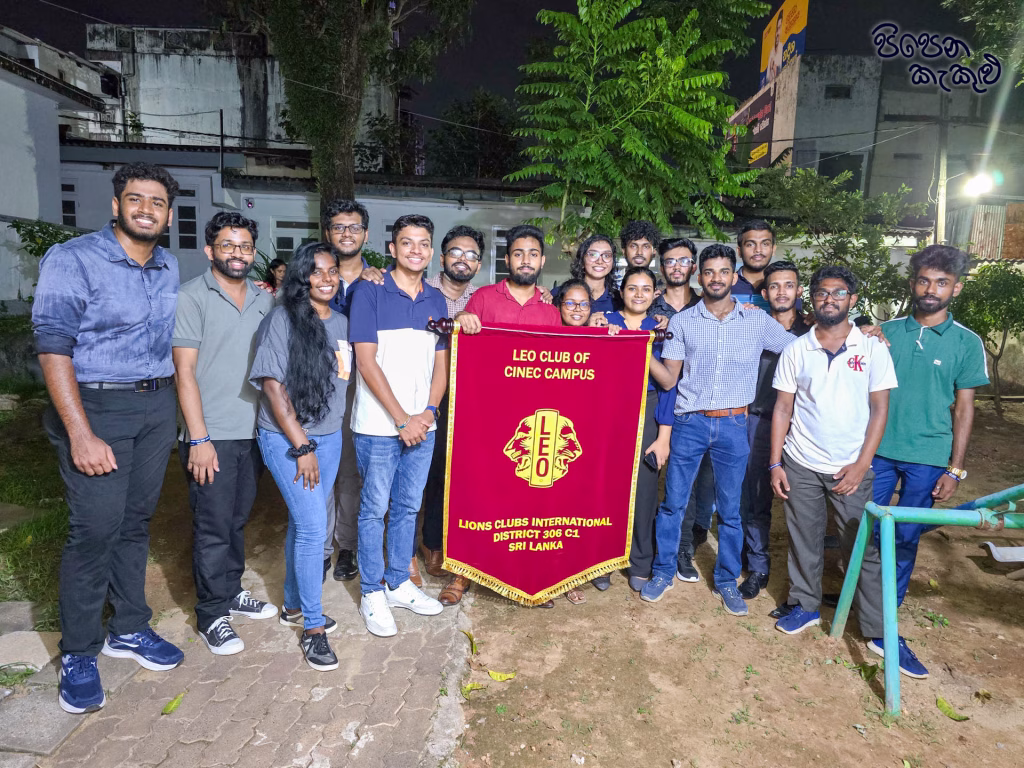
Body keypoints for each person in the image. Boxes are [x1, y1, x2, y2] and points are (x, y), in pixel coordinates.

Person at [34, 162, 185, 713]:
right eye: (136, 199)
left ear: (169, 216)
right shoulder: (73, 259)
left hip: (156, 404)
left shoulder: (167, 265)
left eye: (157, 202)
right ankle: (79, 650)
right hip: (95, 404)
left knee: (135, 521)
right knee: (95, 529)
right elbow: (53, 346)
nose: (147, 209)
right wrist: (80, 432)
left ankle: (129, 627)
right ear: (117, 205)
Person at [642, 244, 796, 614]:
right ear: (699, 276)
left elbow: (800, 350)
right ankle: (662, 571)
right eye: (709, 272)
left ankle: (726, 580)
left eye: (723, 271)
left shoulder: (756, 321)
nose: (716, 278)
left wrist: (858, 332)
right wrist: (641, 348)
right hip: (690, 422)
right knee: (673, 503)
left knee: (730, 510)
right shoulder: (683, 322)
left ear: (733, 276)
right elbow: (669, 380)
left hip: (734, 424)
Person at [869, 245, 988, 679]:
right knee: (862, 529)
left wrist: (955, 468)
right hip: (876, 451)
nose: (931, 289)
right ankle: (865, 601)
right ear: (913, 283)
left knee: (905, 538)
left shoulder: (966, 342)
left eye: (941, 282)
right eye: (924, 280)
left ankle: (885, 623)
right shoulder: (884, 333)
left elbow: (964, 409)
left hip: (929, 457)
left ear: (956, 288)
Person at [768, 266, 896, 653]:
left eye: (839, 293)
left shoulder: (872, 348)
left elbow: (880, 410)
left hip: (850, 467)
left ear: (852, 300)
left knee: (861, 546)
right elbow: (782, 409)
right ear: (813, 299)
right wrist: (776, 463)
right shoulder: (796, 349)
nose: (830, 299)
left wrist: (861, 465)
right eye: (823, 293)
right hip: (801, 462)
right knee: (803, 540)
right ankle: (805, 605)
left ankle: (877, 628)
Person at [173, 212, 277, 656]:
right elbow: (184, 373)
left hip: (254, 431)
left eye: (245, 246)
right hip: (210, 434)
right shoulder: (191, 296)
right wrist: (198, 439)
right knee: (212, 526)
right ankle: (212, 614)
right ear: (209, 250)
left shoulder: (264, 299)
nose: (238, 253)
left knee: (237, 520)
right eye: (228, 245)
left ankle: (231, 591)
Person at [447, 224, 561, 605]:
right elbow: (460, 339)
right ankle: (463, 572)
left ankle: (527, 574)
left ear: (542, 261)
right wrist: (462, 319)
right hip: (486, 416)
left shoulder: (551, 312)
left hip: (531, 421)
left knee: (527, 501)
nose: (525, 260)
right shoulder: (482, 297)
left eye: (533, 254)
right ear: (507, 259)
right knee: (477, 494)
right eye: (518, 253)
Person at [250, 242, 350, 671]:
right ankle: (313, 628)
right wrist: (302, 446)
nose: (326, 279)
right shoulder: (282, 319)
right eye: (317, 271)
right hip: (288, 438)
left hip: (329, 437)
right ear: (302, 277)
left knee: (303, 523)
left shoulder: (342, 323)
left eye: (332, 271)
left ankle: (292, 605)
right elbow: (273, 387)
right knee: (313, 528)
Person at [349, 214, 448, 637]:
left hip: (422, 426)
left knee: (408, 506)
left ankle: (397, 582)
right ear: (392, 248)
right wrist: (401, 419)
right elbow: (365, 362)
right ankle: (371, 591)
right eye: (407, 242)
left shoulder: (436, 299)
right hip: (378, 425)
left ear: (431, 251)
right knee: (374, 509)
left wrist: (429, 412)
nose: (415, 250)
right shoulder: (369, 291)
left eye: (423, 243)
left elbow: (441, 364)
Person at [737, 261, 812, 600]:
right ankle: (758, 565)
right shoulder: (752, 324)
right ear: (765, 293)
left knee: (803, 505)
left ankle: (806, 581)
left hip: (803, 426)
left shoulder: (813, 332)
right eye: (775, 286)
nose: (782, 292)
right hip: (758, 421)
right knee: (755, 497)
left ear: (799, 290)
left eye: (789, 285)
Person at [644, 237, 717, 570]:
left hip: (696, 405)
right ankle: (645, 544)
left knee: (687, 484)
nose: (677, 267)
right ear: (662, 267)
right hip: (656, 401)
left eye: (684, 261)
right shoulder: (648, 304)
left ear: (694, 267)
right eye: (670, 261)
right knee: (649, 478)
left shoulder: (708, 306)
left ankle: (682, 548)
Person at [605, 267, 676, 594]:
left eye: (646, 289)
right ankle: (603, 559)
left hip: (648, 407)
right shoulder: (604, 321)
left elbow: (669, 386)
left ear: (655, 294)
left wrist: (663, 436)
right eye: (632, 288)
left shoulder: (661, 328)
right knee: (607, 487)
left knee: (645, 490)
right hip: (609, 409)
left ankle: (640, 561)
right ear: (621, 292)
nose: (638, 294)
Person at [420, 225, 484, 581]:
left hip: (470, 398)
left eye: (471, 255)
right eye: (456, 252)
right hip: (425, 395)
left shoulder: (483, 298)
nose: (463, 259)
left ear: (479, 264)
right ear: (442, 257)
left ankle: (461, 543)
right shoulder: (420, 290)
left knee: (462, 473)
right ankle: (430, 544)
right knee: (429, 473)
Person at [323, 200, 371, 585]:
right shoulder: (316, 277)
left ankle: (347, 547)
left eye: (353, 227)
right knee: (320, 469)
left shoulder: (380, 283)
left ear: (365, 235)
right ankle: (320, 548)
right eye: (339, 227)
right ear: (329, 233)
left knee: (350, 473)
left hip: (361, 387)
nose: (346, 234)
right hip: (320, 387)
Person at [563, 234, 621, 317]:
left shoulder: (620, 299)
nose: (600, 261)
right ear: (582, 260)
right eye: (593, 255)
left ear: (613, 262)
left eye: (606, 256)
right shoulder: (561, 294)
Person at [732, 220, 775, 310]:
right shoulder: (726, 285)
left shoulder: (783, 287)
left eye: (765, 244)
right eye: (750, 244)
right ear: (739, 251)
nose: (758, 250)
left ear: (773, 249)